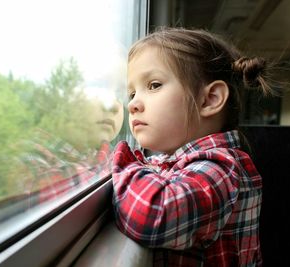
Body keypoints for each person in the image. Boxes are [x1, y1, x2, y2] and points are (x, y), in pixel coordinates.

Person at [111, 27, 276, 267]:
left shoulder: (221, 168)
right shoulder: (172, 163)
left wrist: (123, 160)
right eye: (132, 92)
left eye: (154, 85)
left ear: (209, 99)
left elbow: (151, 216)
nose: (133, 104)